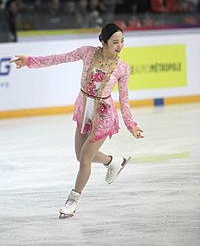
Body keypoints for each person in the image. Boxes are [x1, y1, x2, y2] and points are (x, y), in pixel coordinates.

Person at [10, 23, 144, 219]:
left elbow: (124, 99)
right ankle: (113, 162)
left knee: (85, 160)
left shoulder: (122, 68)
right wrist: (30, 60)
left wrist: (131, 125)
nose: (120, 46)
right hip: (84, 109)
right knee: (79, 156)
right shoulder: (87, 53)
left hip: (104, 115)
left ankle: (73, 200)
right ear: (103, 41)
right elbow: (59, 58)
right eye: (115, 42)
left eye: (122, 41)